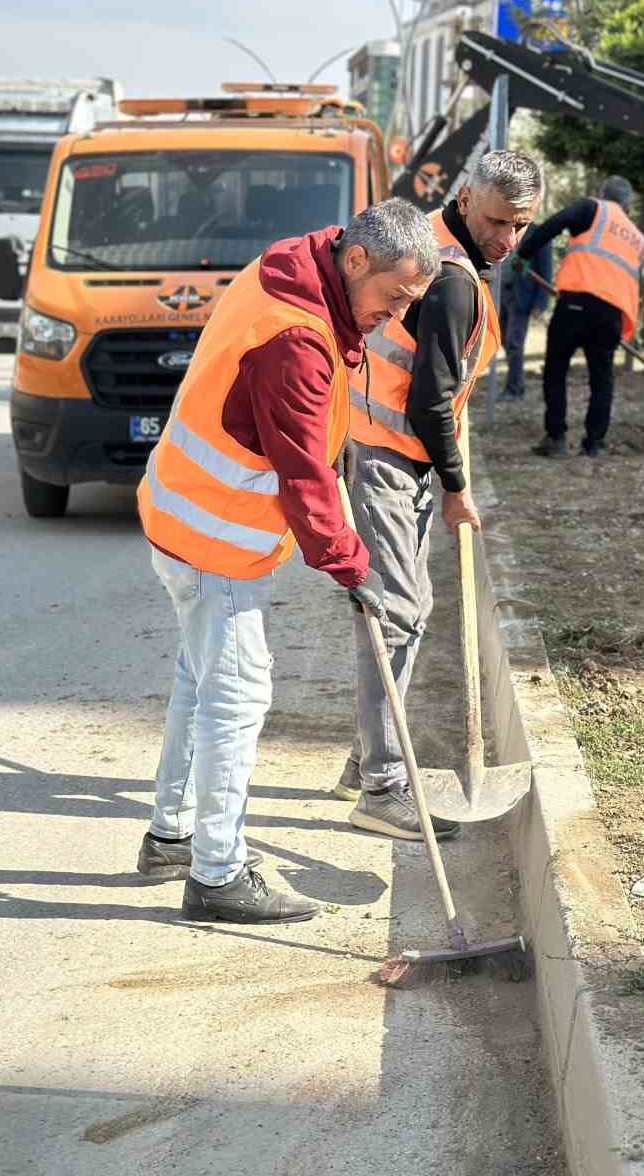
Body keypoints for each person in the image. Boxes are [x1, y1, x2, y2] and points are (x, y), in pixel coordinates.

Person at [135, 199, 441, 925]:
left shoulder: (293, 270)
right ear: (357, 261)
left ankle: (170, 836)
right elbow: (306, 474)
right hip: (217, 535)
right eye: (394, 296)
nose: (395, 315)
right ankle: (217, 875)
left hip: (178, 509)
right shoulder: (297, 341)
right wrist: (352, 565)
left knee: (198, 680)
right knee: (237, 697)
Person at [333, 151, 544, 840]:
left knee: (398, 609)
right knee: (399, 612)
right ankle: (383, 785)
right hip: (386, 455)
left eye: (522, 225)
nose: (508, 240)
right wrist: (456, 488)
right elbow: (429, 401)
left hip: (382, 446)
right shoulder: (450, 280)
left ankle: (368, 754)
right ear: (463, 198)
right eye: (497, 221)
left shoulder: (441, 244)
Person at [515, 175, 644, 458]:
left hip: (577, 305)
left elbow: (554, 224)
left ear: (602, 193)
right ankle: (594, 444)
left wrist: (524, 253)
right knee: (602, 379)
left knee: (556, 370)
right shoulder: (638, 239)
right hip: (612, 315)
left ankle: (557, 439)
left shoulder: (593, 209)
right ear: (628, 206)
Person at [497, 222, 554, 400]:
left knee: (514, 342)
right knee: (504, 340)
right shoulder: (504, 226)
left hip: (522, 296)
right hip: (500, 293)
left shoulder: (539, 233)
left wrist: (540, 303)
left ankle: (515, 389)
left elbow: (546, 270)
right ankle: (514, 383)